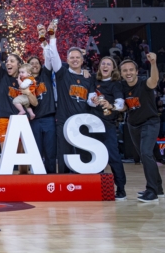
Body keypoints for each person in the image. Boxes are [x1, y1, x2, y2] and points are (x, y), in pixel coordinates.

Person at [44, 24, 92, 174]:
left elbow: (90, 99)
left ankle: (82, 182)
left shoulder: (89, 77)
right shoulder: (62, 73)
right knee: (64, 152)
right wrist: (52, 37)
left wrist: (94, 100)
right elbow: (53, 56)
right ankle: (63, 183)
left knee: (84, 152)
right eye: (72, 57)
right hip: (64, 119)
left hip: (83, 120)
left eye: (78, 57)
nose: (75, 60)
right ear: (67, 59)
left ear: (82, 60)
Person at [120, 55, 164, 202]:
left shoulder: (145, 83)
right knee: (146, 157)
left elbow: (154, 80)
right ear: (121, 73)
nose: (128, 73)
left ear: (136, 71)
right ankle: (158, 188)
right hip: (133, 125)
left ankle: (151, 191)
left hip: (150, 122)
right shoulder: (122, 87)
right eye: (125, 70)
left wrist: (153, 63)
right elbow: (125, 106)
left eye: (131, 70)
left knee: (146, 153)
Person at [86, 57, 127, 201]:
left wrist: (111, 105)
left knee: (113, 157)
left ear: (113, 68)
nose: (105, 66)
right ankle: (99, 188)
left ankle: (121, 189)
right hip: (93, 125)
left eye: (108, 64)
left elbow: (120, 103)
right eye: (103, 63)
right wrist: (93, 101)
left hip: (108, 125)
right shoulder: (94, 81)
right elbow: (90, 100)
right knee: (96, 158)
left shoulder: (116, 84)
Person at [0, 48, 36, 175]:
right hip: (4, 118)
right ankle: (6, 187)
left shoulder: (26, 80)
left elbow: (34, 102)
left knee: (22, 155)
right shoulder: (2, 75)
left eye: (12, 61)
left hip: (21, 119)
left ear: (19, 64)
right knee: (6, 154)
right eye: (7, 61)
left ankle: (24, 182)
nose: (8, 63)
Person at [27, 28, 57, 173]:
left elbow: (49, 58)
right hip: (34, 121)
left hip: (49, 119)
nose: (34, 65)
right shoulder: (25, 81)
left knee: (50, 153)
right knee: (36, 153)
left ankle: (51, 180)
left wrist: (44, 42)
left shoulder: (46, 74)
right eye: (31, 63)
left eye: (36, 63)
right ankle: (37, 182)